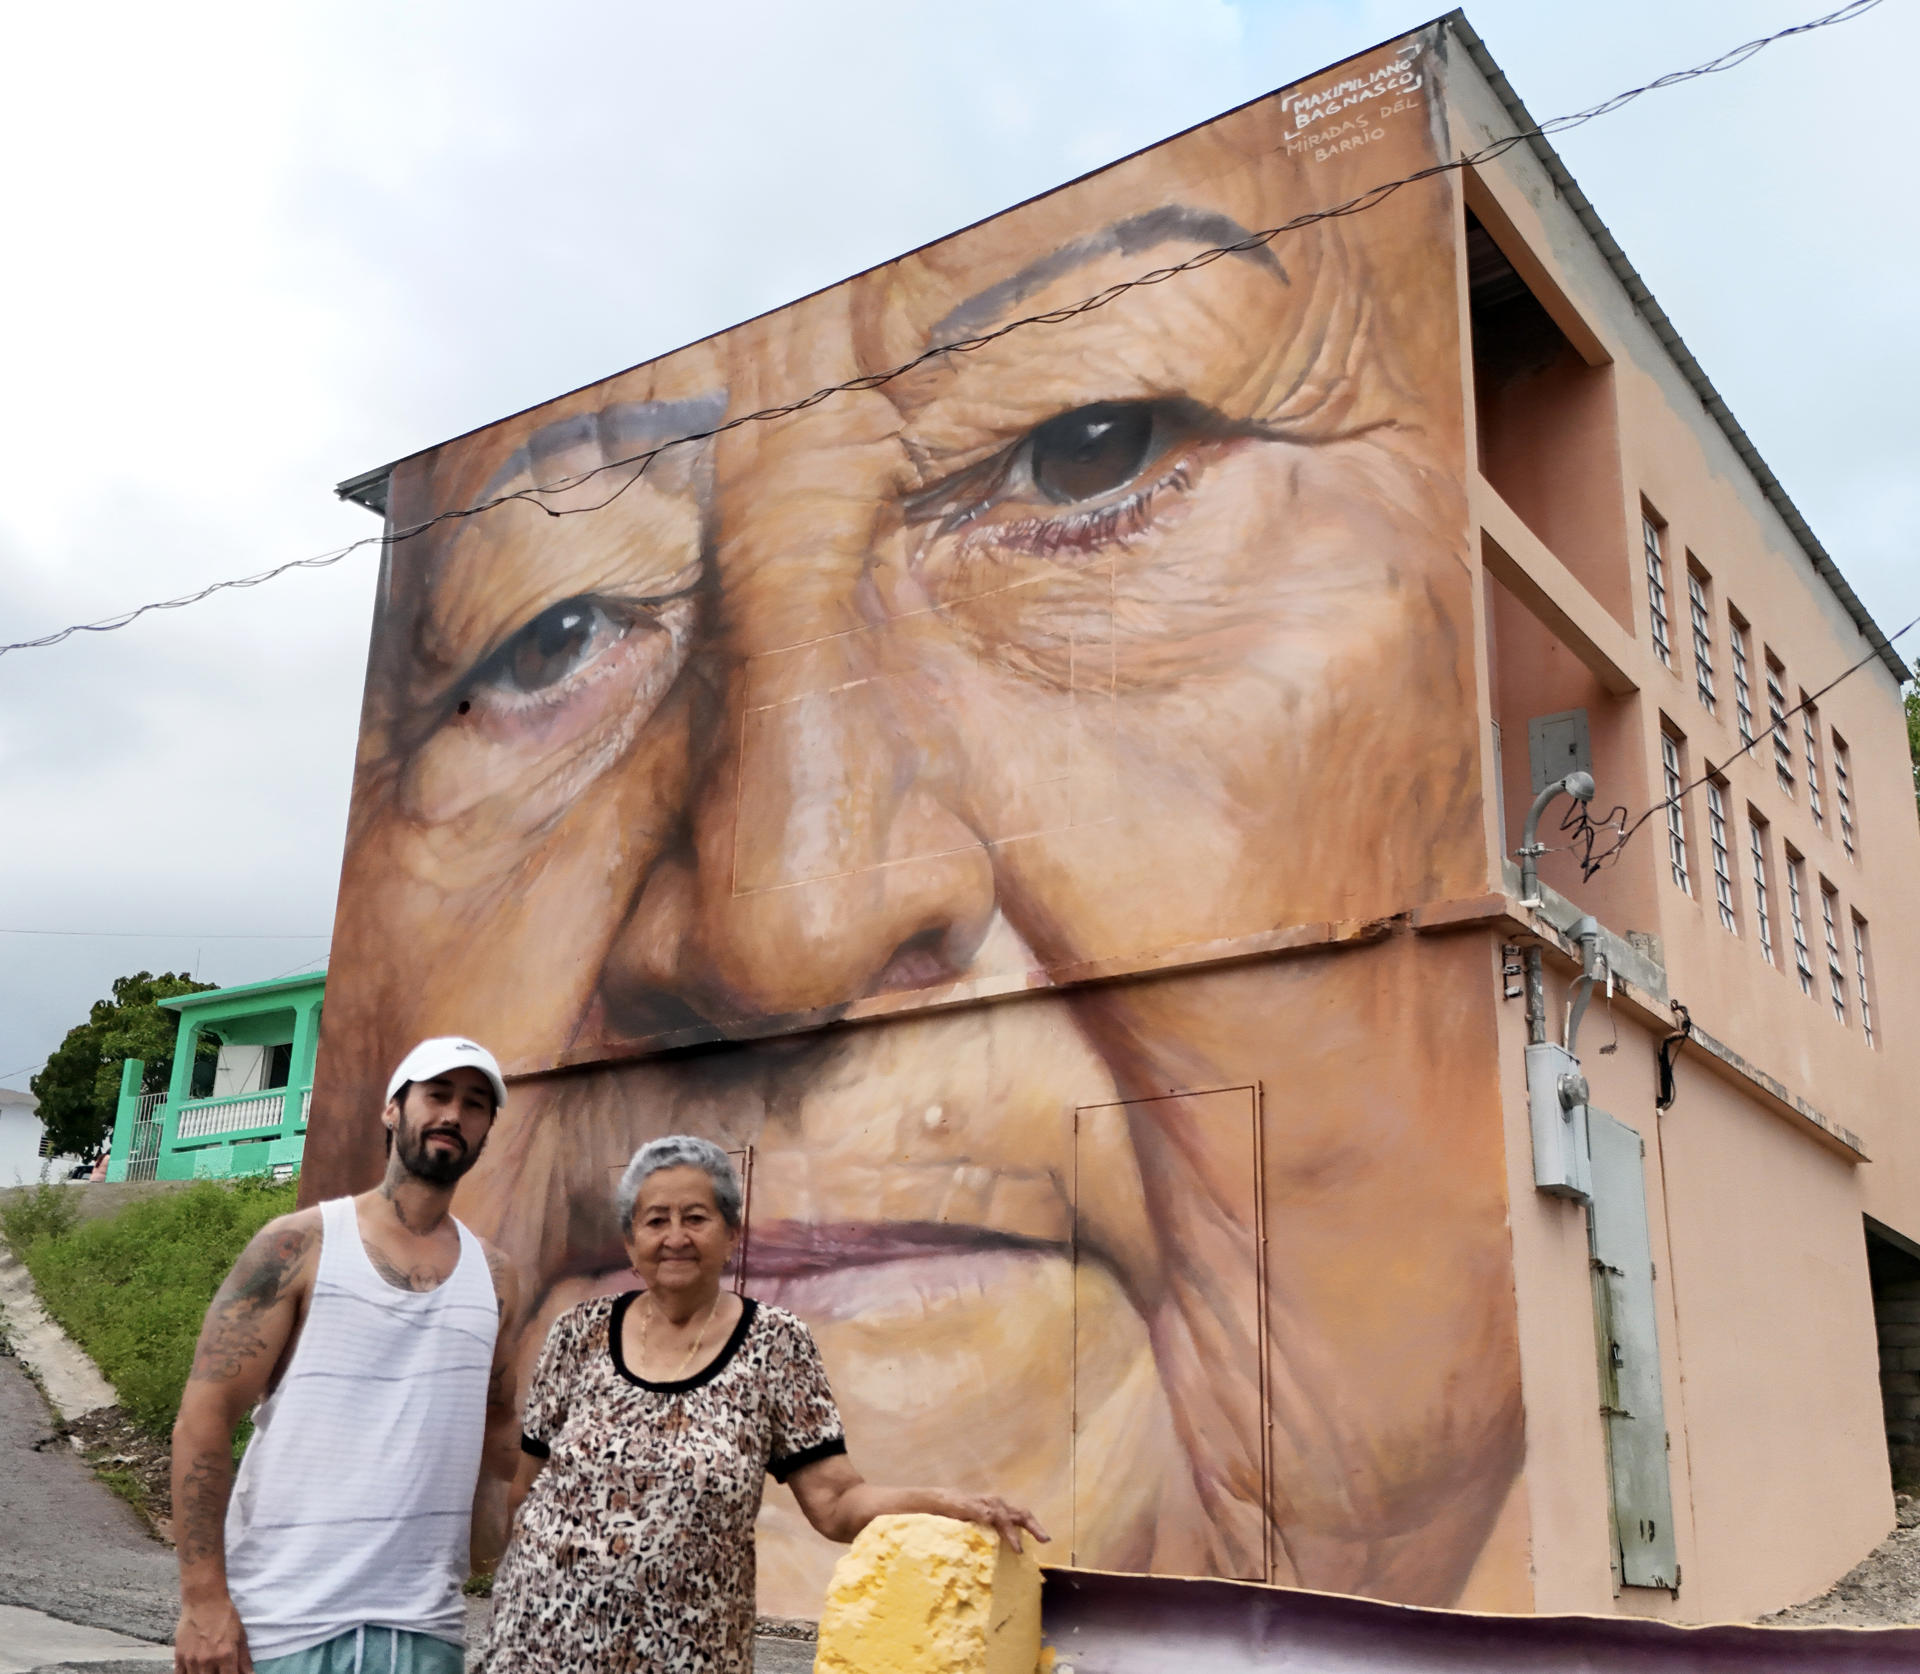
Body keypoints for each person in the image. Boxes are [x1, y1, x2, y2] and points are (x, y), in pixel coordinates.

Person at [317, 38, 1526, 1610]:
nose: (783, 916)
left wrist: (941, 1504)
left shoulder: (768, 1372)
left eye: (1090, 445)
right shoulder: (417, 1317)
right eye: (546, 629)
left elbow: (831, 1496)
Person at [480, 1136, 1045, 1674]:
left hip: (688, 1654)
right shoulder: (579, 1332)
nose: (675, 1236)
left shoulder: (775, 1344)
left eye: (695, 1217)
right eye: (656, 1220)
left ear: (732, 1234)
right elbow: (526, 1490)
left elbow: (836, 1501)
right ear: (631, 1242)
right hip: (540, 1639)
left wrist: (941, 1502)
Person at [172, 1038, 521, 1674]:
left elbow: (500, 1440)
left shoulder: (496, 1279)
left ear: (487, 1131)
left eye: (475, 1104)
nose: (453, 1114)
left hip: (425, 1634)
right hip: (280, 1627)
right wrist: (202, 1599)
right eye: (436, 1094)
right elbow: (205, 1418)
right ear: (393, 1109)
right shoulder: (298, 1244)